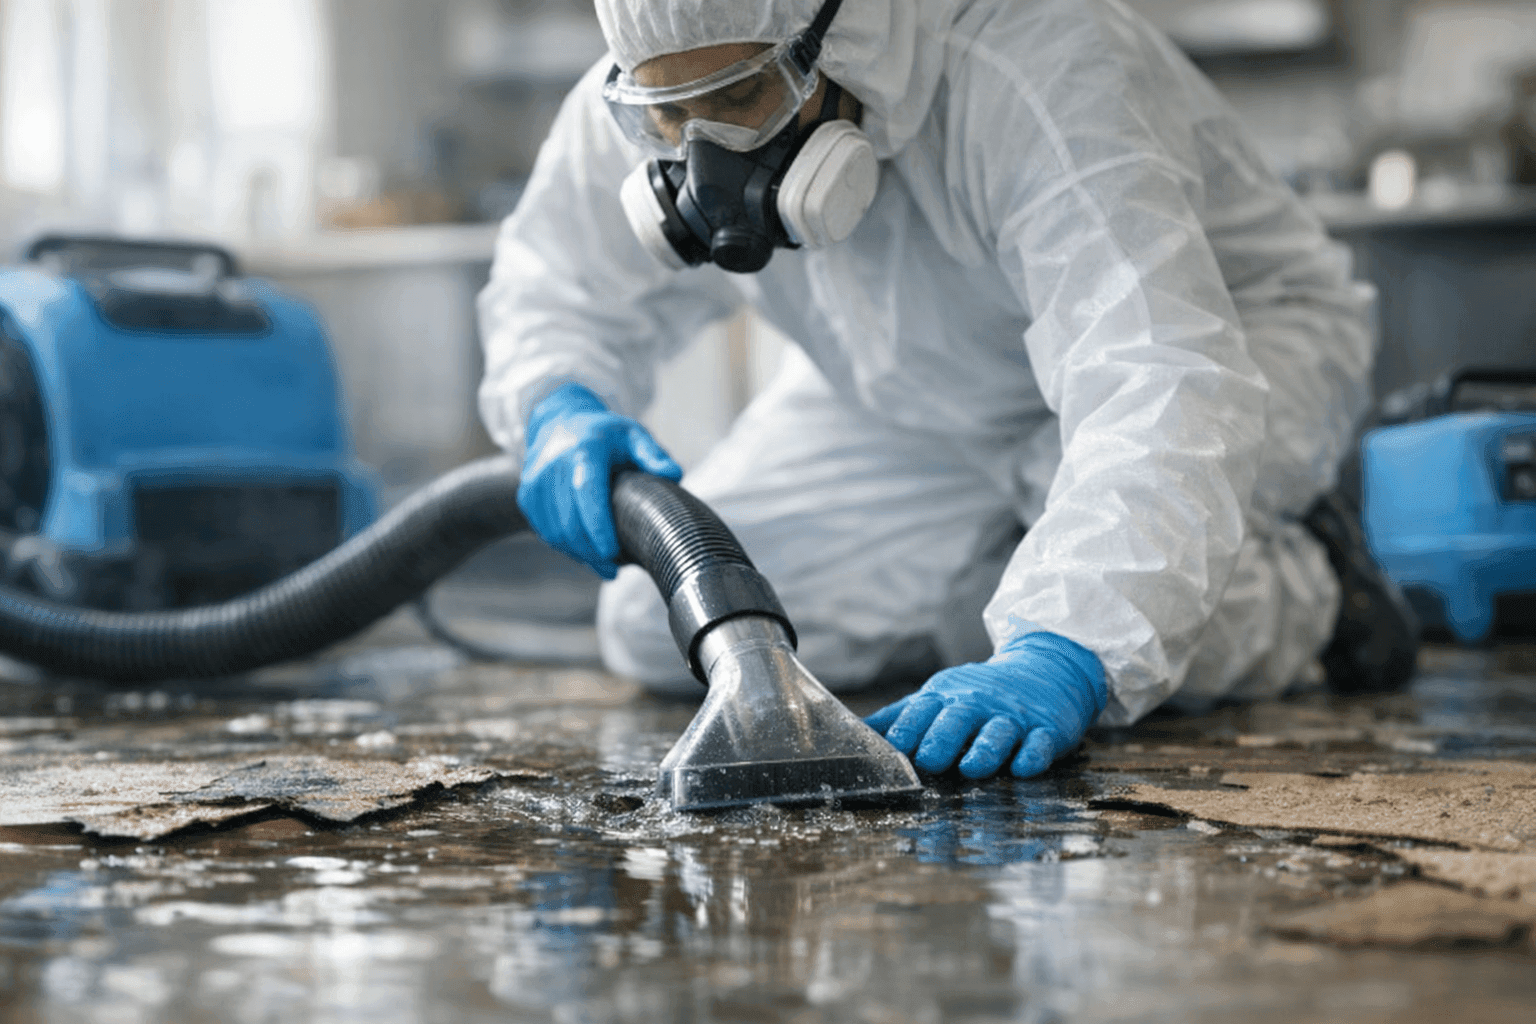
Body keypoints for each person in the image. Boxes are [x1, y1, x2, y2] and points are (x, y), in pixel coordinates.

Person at [478, 0, 1418, 780]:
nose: (703, 157)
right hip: (911, 401)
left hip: (1227, 353)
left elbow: (1153, 373)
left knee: (1103, 614)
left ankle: (1314, 594)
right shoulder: (661, 63)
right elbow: (556, 282)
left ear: (840, 38)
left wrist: (1062, 649)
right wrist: (558, 401)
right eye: (672, 118)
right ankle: (1001, 576)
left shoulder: (1036, 62)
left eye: (741, 98)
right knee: (659, 626)